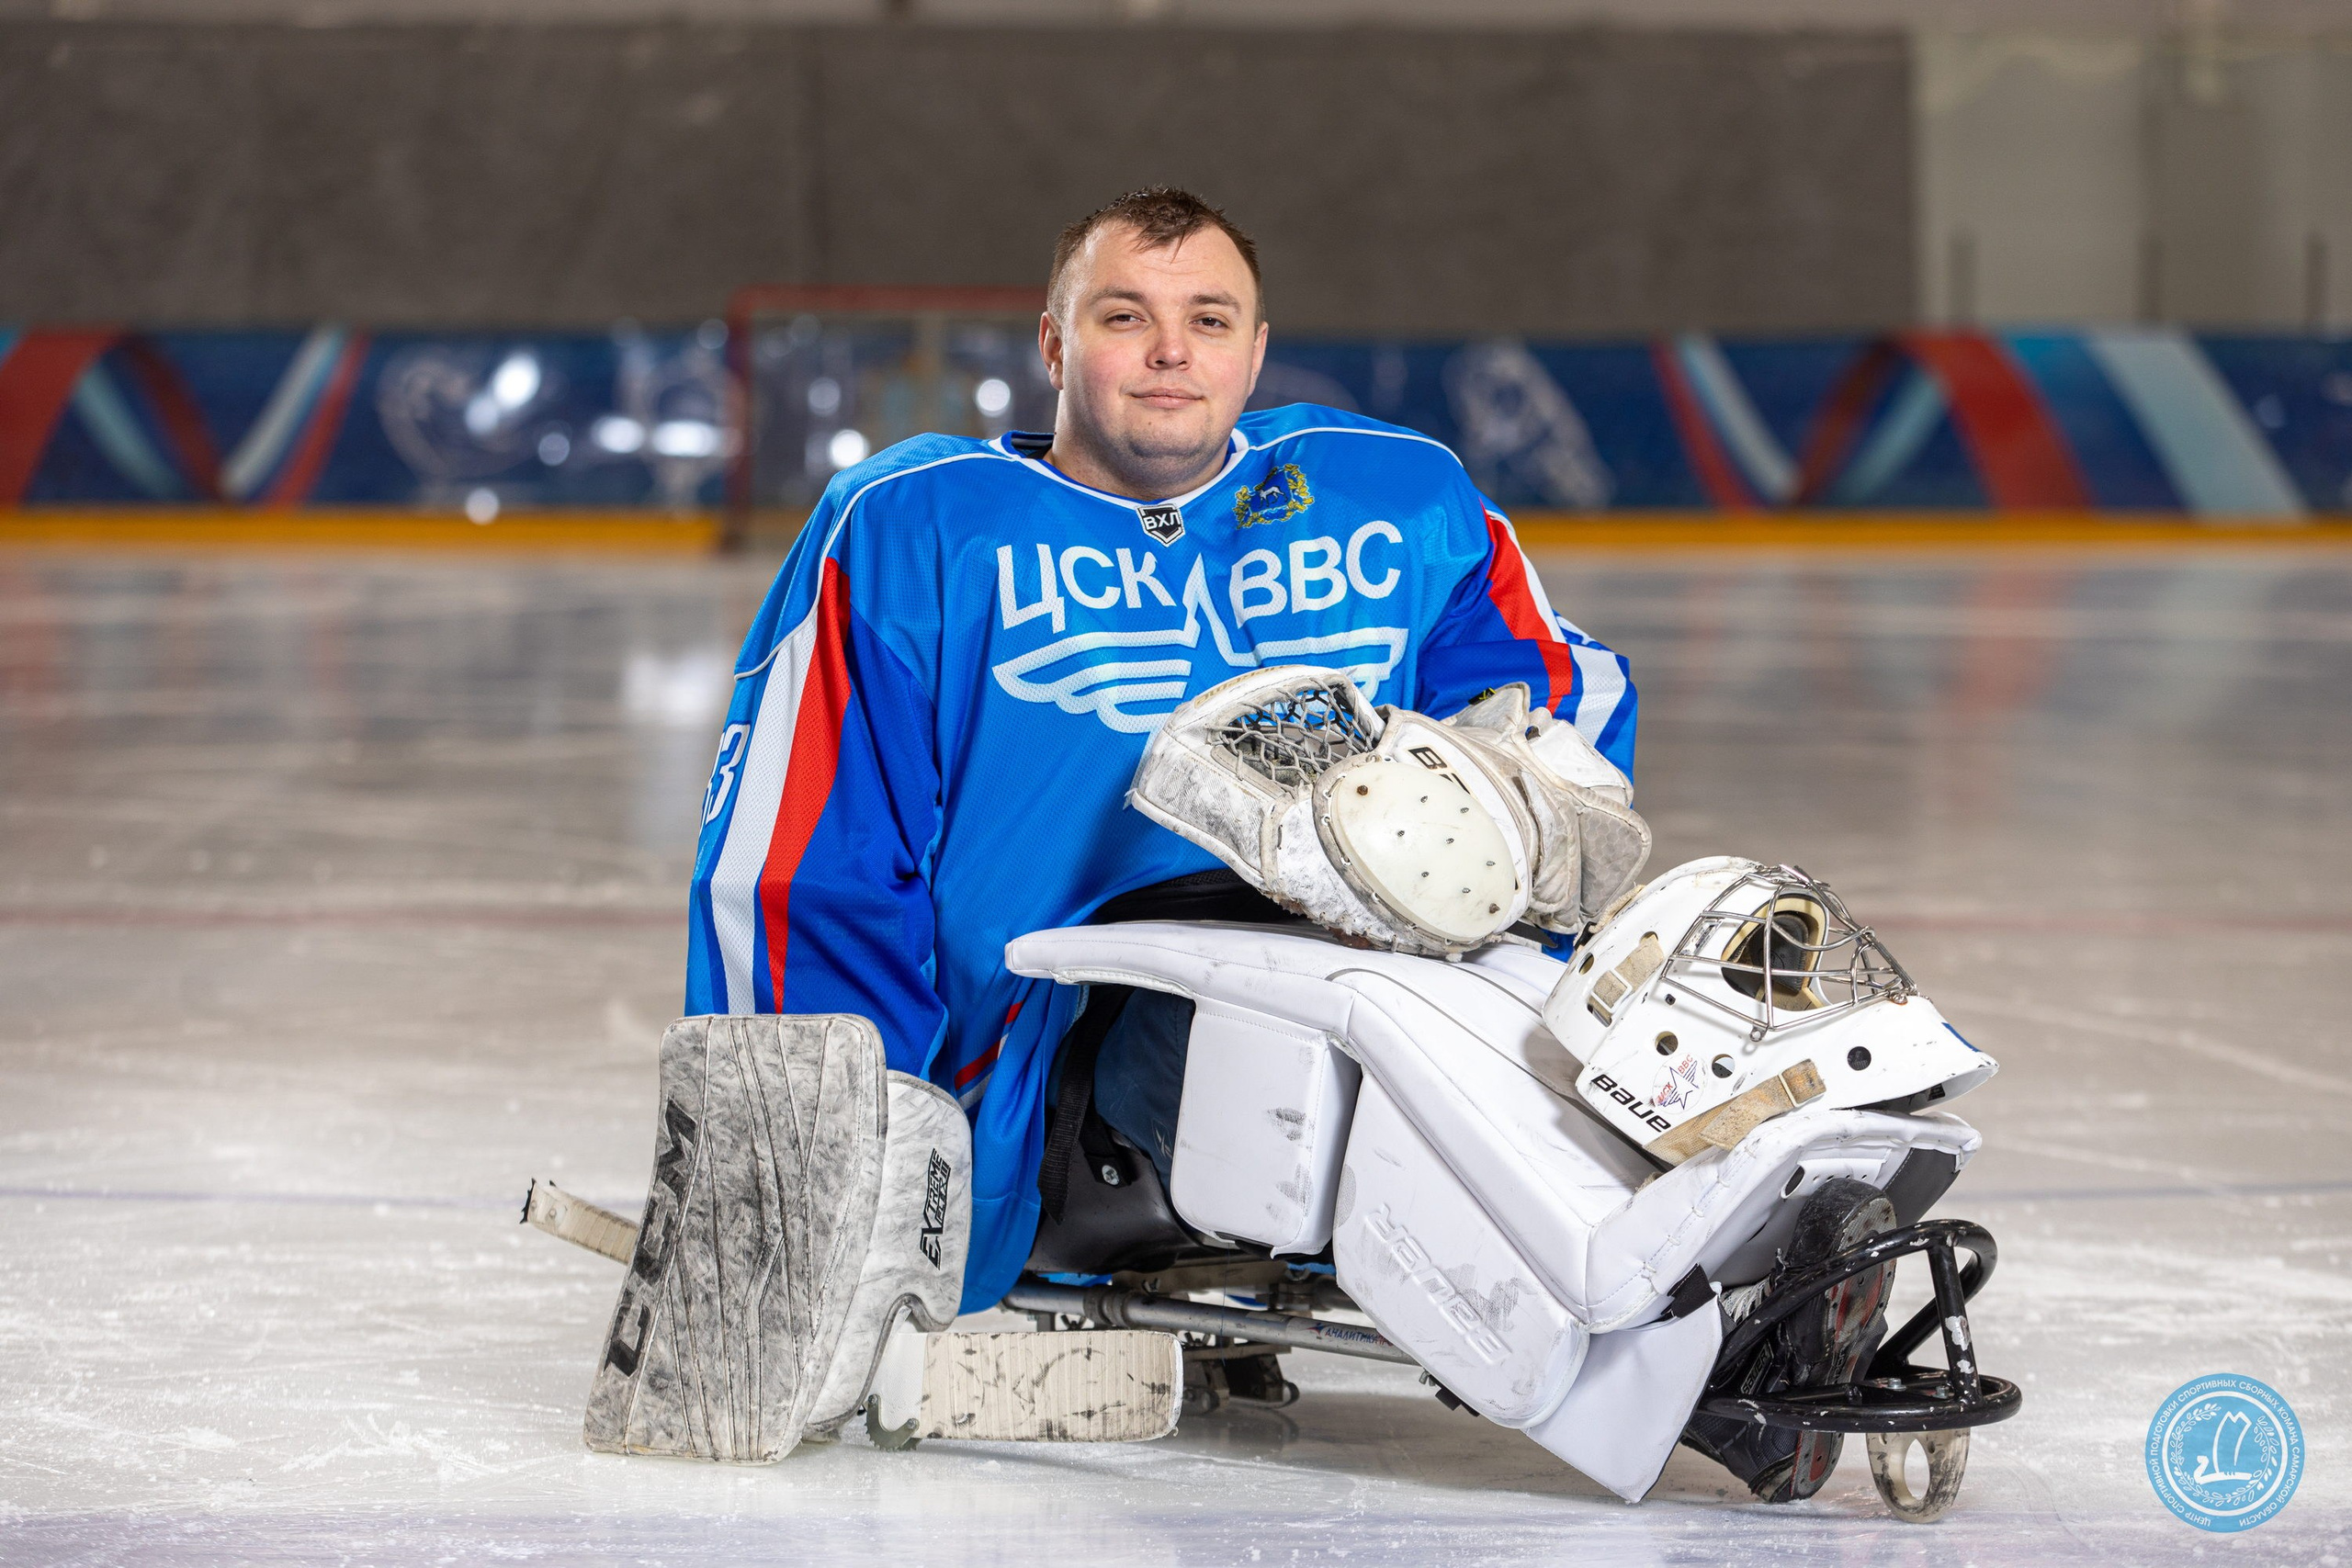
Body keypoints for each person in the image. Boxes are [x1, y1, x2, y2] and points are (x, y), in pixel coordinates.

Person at [684, 186, 1636, 1316]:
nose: (1171, 352)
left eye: (1211, 320)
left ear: (1256, 350)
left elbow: (1554, 701)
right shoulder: (916, 526)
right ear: (1054, 342)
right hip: (1052, 1082)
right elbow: (806, 860)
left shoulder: (1400, 497)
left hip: (1379, 1010)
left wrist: (1502, 805)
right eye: (1124, 317)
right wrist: (848, 1148)